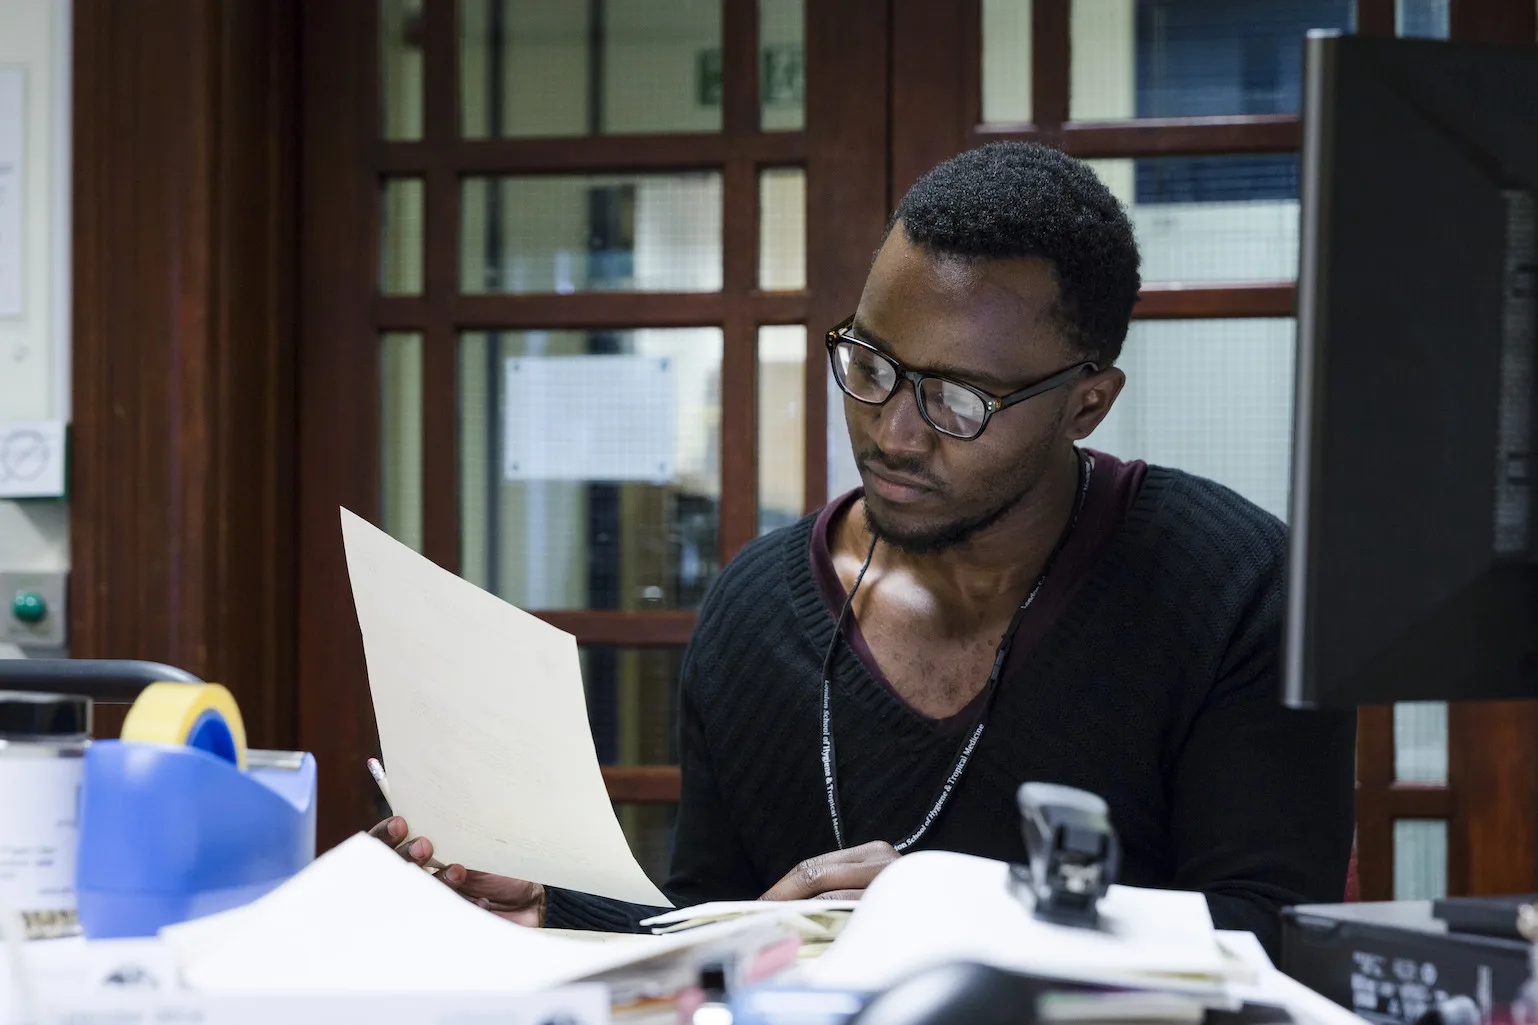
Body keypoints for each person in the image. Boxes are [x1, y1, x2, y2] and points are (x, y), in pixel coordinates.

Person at [372, 141, 1356, 956]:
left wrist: (955, 918)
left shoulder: (1230, 588)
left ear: (1085, 404)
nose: (893, 431)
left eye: (958, 399)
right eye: (870, 364)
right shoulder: (756, 607)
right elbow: (720, 915)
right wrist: (556, 914)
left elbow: (1270, 940)